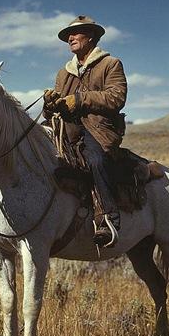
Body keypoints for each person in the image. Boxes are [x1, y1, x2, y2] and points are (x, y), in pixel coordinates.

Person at [43, 15, 127, 248]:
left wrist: (79, 100)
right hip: (65, 130)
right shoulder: (64, 72)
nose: (70, 38)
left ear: (90, 36)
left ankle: (108, 217)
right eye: (68, 36)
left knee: (96, 160)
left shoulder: (110, 64)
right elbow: (57, 108)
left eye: (75, 33)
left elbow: (116, 97)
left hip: (98, 129)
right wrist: (50, 105)